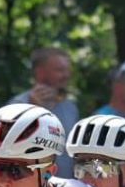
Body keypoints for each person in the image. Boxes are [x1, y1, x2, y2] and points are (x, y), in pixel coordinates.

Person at [10, 46, 78, 175]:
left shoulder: (70, 107)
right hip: (31, 184)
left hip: (66, 185)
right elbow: (9, 149)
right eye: (60, 70)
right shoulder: (19, 105)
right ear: (40, 72)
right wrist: (32, 110)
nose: (66, 75)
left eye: (67, 70)